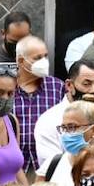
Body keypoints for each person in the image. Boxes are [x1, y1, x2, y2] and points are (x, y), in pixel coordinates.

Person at [34, 59, 94, 164]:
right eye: (87, 84)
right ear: (69, 85)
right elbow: (50, 165)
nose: (93, 90)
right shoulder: (49, 120)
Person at [11, 35, 67, 173]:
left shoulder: (57, 87)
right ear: (20, 61)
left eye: (45, 56)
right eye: (37, 58)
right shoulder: (6, 88)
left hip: (47, 165)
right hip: (15, 167)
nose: (44, 62)